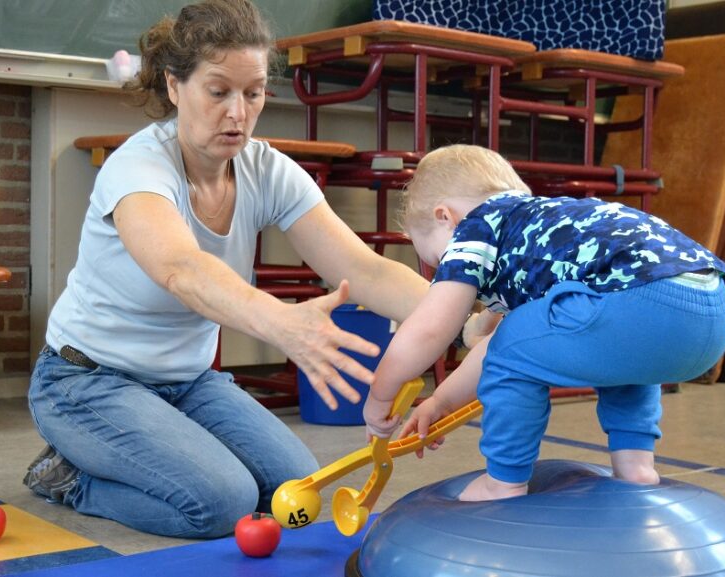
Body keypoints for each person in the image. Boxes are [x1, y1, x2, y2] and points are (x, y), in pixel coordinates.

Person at [22, 0, 441, 539]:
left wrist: (464, 316)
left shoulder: (266, 170)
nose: (238, 112)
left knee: (300, 489)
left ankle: (148, 451)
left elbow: (365, 269)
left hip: (187, 382)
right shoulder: (139, 168)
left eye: (254, 92)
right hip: (85, 382)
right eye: (218, 92)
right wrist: (284, 323)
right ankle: (68, 476)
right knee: (220, 503)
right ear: (175, 86)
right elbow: (180, 269)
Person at [363, 144, 725, 502]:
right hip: (710, 307)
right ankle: (636, 467)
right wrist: (441, 401)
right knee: (616, 360)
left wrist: (381, 394)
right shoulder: (542, 233)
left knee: (518, 341)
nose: (446, 270)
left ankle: (503, 483)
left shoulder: (476, 224)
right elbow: (510, 345)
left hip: (642, 301)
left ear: (445, 217)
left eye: (436, 259)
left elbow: (433, 327)